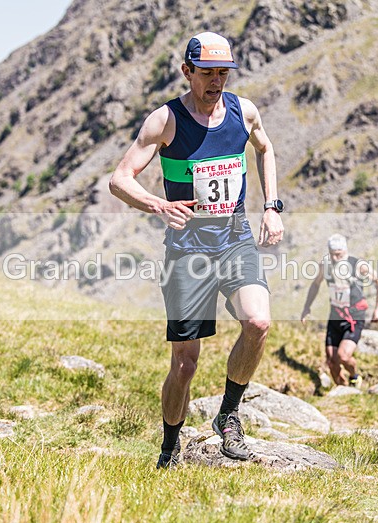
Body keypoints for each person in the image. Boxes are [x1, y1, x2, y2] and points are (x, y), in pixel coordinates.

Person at [108, 31, 284, 469]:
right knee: (185, 365)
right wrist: (157, 204)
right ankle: (170, 446)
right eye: (207, 73)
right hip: (188, 252)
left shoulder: (244, 112)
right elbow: (119, 179)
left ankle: (228, 415)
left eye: (223, 73)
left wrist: (272, 207)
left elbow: (266, 149)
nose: (216, 81)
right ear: (187, 72)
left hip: (234, 239)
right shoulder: (164, 121)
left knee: (258, 321)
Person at [300, 234, 378, 387]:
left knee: (343, 356)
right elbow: (315, 284)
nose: (336, 258)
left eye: (339, 255)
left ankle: (354, 376)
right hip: (335, 317)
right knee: (332, 362)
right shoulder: (325, 265)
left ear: (345, 251)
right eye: (333, 255)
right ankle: (343, 390)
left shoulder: (357, 265)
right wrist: (307, 307)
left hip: (354, 317)